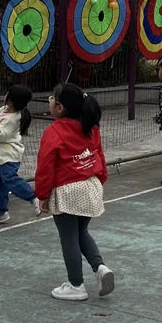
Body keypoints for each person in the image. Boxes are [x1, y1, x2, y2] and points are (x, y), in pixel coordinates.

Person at [34, 83, 114, 301]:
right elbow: (99, 155)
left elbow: (45, 166)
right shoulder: (90, 126)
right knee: (81, 232)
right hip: (90, 186)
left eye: (52, 98)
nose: (49, 99)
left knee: (68, 238)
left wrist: (42, 195)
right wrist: (100, 180)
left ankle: (76, 285)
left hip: (68, 191)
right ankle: (100, 268)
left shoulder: (54, 131)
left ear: (60, 107)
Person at [0, 84, 41, 225]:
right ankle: (1, 213)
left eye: (7, 93)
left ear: (11, 99)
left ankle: (33, 198)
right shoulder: (5, 109)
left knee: (9, 179)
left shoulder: (13, 118)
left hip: (10, 154)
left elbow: (0, 135)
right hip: (4, 155)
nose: (5, 95)